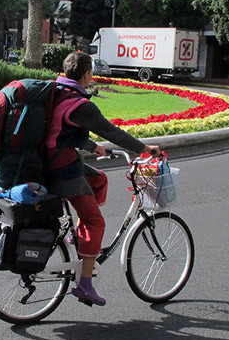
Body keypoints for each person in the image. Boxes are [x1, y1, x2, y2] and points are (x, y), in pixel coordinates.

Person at [46, 51, 160, 306]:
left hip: (48, 160)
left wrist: (92, 147)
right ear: (87, 74)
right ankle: (85, 284)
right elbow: (113, 132)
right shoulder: (82, 104)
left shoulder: (57, 92)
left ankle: (76, 237)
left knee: (99, 180)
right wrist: (145, 149)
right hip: (62, 168)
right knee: (96, 223)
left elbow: (61, 129)